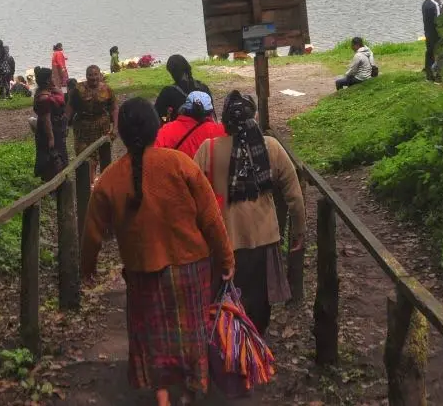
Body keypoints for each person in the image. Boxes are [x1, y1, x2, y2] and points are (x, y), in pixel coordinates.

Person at [82, 98, 235, 406]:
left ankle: (161, 394)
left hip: (142, 270)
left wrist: (88, 268)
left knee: (152, 334)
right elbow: (210, 218)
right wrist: (226, 257)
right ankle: (191, 391)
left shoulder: (109, 178)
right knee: (191, 331)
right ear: (156, 127)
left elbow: (92, 234)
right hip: (191, 266)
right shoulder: (180, 164)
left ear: (122, 134)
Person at [194, 91, 305, 336]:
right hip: (263, 240)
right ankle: (256, 350)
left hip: (223, 241)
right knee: (259, 304)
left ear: (224, 120)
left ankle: (232, 350)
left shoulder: (208, 150)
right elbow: (294, 195)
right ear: (253, 117)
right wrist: (299, 230)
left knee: (226, 302)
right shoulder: (271, 148)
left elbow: (191, 196)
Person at [68, 65, 117, 180]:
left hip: (102, 125)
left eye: (95, 74)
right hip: (83, 126)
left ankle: (103, 180)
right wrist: (65, 123)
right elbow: (70, 106)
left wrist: (115, 127)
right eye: (90, 75)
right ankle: (88, 181)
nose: (93, 77)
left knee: (102, 154)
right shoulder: (78, 89)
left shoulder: (107, 89)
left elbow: (114, 108)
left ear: (100, 75)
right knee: (83, 154)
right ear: (86, 76)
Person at [154, 91, 226, 160]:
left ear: (184, 109)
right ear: (210, 112)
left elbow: (153, 155)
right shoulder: (223, 131)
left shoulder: (167, 131)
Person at [32, 67, 68, 180]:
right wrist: (51, 137)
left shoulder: (46, 92)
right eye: (52, 77)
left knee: (58, 154)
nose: (54, 78)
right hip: (50, 130)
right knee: (52, 157)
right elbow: (46, 119)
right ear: (47, 80)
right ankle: (54, 182)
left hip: (56, 127)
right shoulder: (44, 99)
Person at [153, 54, 212, 124]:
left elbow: (157, 115)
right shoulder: (203, 87)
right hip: (205, 128)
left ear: (172, 72)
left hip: (180, 130)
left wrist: (167, 120)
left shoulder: (168, 92)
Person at [421, 0, 443, 82]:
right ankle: (438, 77)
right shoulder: (435, 4)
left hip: (427, 32)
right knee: (438, 53)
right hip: (436, 33)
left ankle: (429, 75)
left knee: (429, 53)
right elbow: (439, 20)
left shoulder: (424, 3)